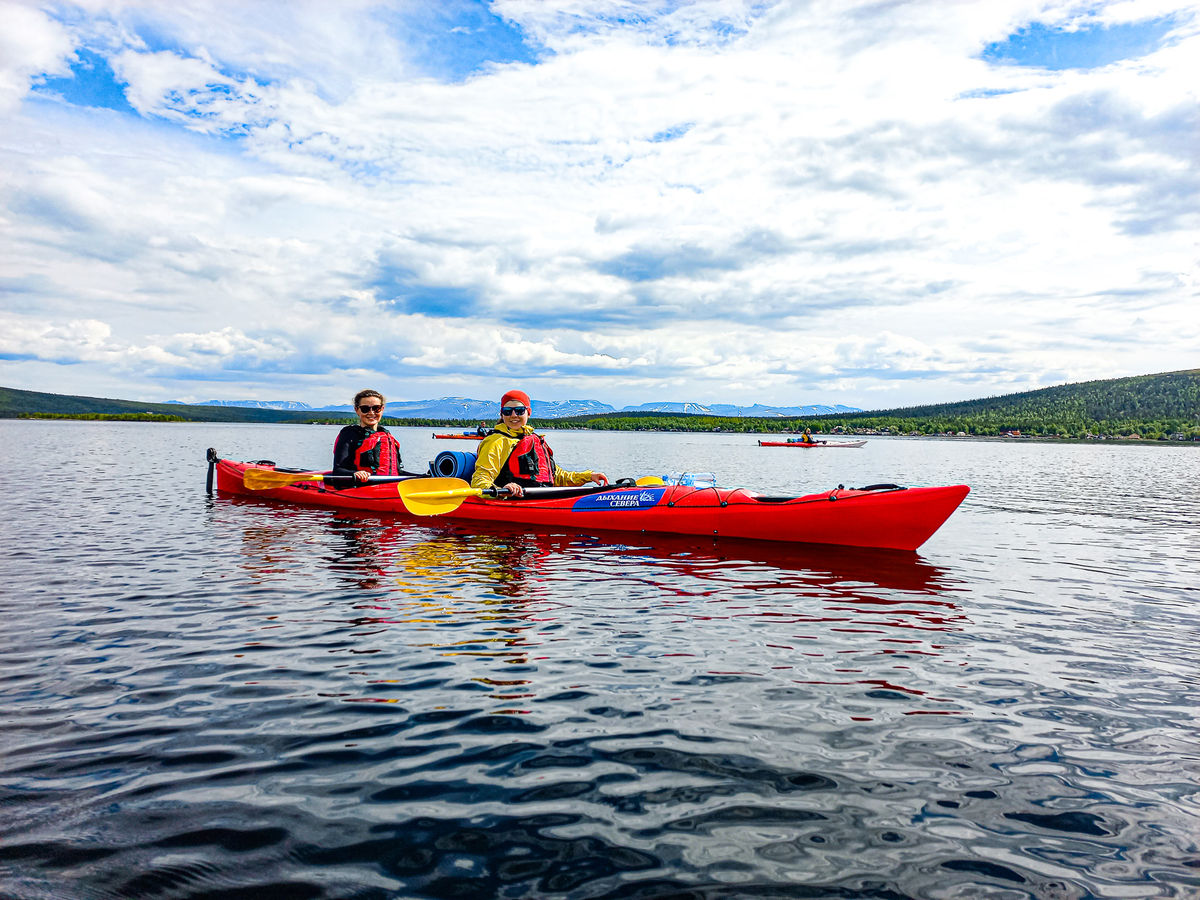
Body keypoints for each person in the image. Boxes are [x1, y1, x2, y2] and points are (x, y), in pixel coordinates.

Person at [471, 390, 608, 498]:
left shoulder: (534, 439)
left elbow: (556, 476)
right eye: (508, 411)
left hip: (541, 496)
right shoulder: (495, 442)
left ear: (528, 413)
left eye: (519, 411)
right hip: (512, 500)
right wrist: (502, 491)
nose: (513, 415)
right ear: (502, 415)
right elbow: (480, 482)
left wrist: (589, 476)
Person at [332, 389, 405, 482]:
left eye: (376, 408)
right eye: (365, 409)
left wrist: (423, 476)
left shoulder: (387, 436)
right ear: (357, 410)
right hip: (360, 489)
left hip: (388, 487)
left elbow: (398, 472)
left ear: (382, 409)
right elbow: (338, 471)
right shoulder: (349, 434)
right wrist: (354, 474)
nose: (371, 413)